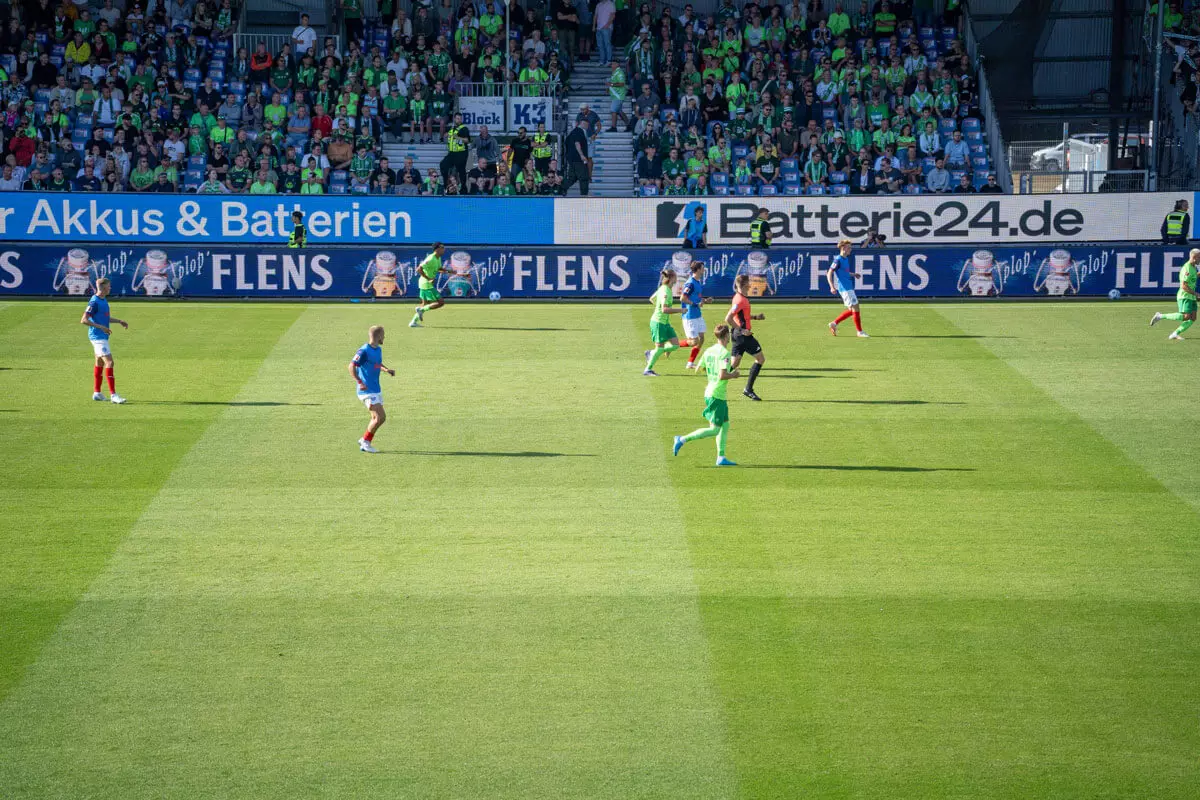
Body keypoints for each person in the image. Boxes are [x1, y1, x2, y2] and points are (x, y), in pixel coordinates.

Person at [672, 323, 739, 467]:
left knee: (725, 425)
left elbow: (699, 369)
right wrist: (733, 375)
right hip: (717, 395)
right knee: (714, 430)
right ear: (726, 336)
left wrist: (711, 371)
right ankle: (682, 439)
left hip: (711, 391)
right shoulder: (724, 353)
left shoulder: (709, 350)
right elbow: (722, 375)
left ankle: (721, 457)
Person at [81, 277, 128, 404]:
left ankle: (97, 393)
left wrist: (119, 321)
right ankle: (113, 395)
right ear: (103, 287)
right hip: (97, 337)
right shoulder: (94, 302)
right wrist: (102, 327)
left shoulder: (103, 300)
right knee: (110, 362)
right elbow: (84, 320)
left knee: (100, 363)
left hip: (101, 336)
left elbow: (104, 317)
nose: (110, 288)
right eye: (109, 286)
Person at [349, 326, 395, 453]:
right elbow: (351, 366)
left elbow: (376, 363)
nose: (384, 337)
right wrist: (359, 382)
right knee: (380, 417)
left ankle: (364, 439)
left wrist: (386, 370)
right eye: (383, 335)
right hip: (366, 390)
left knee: (377, 418)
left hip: (375, 388)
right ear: (379, 336)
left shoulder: (378, 350)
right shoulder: (364, 350)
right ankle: (366, 442)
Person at [725, 274, 766, 401]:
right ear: (745, 285)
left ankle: (717, 375)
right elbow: (728, 319)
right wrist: (742, 330)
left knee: (734, 363)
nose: (751, 285)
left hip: (738, 335)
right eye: (749, 283)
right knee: (760, 359)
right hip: (743, 336)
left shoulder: (739, 298)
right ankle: (748, 389)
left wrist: (755, 317)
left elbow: (741, 316)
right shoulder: (740, 300)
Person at [1151, 247, 1199, 341]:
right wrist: (1196, 294)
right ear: (1194, 257)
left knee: (1193, 317)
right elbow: (1183, 286)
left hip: (1191, 296)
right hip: (1185, 295)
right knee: (1186, 317)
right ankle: (1160, 316)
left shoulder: (1194, 267)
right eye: (1199, 257)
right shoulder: (1187, 268)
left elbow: (1193, 277)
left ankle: (1175, 334)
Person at [644, 269, 684, 376]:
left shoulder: (664, 289)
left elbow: (652, 299)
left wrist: (658, 306)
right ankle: (648, 369)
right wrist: (680, 310)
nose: (677, 278)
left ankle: (652, 353)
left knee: (675, 345)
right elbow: (664, 310)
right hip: (658, 323)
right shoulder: (666, 291)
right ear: (671, 278)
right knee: (660, 348)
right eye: (676, 276)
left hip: (664, 323)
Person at [827, 238, 869, 338]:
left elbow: (844, 273)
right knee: (856, 307)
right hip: (845, 288)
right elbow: (829, 273)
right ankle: (859, 332)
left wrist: (853, 274)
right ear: (843, 248)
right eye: (849, 247)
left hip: (848, 287)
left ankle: (834, 323)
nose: (850, 249)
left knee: (852, 310)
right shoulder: (838, 259)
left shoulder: (845, 259)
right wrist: (832, 287)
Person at [410, 242, 448, 327]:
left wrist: (449, 271)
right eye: (442, 247)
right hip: (426, 283)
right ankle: (420, 310)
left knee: (425, 304)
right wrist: (429, 279)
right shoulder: (431, 258)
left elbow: (439, 269)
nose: (444, 249)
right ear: (437, 249)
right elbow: (418, 269)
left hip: (424, 283)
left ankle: (413, 322)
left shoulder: (438, 258)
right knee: (440, 302)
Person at [680, 261, 708, 369]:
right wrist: (695, 304)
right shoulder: (690, 283)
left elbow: (696, 297)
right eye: (702, 268)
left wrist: (705, 300)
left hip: (697, 315)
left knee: (701, 339)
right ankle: (671, 345)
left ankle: (690, 363)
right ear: (698, 269)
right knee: (693, 342)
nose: (704, 269)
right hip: (690, 316)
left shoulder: (697, 282)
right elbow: (683, 298)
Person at [563, 118, 591, 196]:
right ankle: (584, 196)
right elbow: (577, 143)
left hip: (572, 160)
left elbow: (567, 144)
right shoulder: (579, 131)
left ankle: (561, 188)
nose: (588, 127)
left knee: (572, 178)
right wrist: (582, 155)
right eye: (587, 125)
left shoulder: (572, 133)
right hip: (578, 160)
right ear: (583, 123)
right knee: (584, 178)